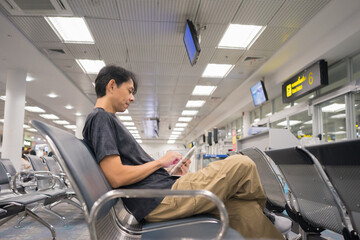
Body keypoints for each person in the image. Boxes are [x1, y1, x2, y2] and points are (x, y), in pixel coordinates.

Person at [82, 65, 283, 239]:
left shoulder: (106, 121)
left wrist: (170, 173)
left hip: (161, 193)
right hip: (157, 199)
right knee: (242, 164)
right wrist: (161, 162)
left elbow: (128, 171)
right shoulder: (101, 119)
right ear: (111, 86)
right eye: (129, 90)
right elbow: (116, 177)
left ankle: (265, 217)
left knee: (243, 210)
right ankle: (270, 212)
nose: (132, 98)